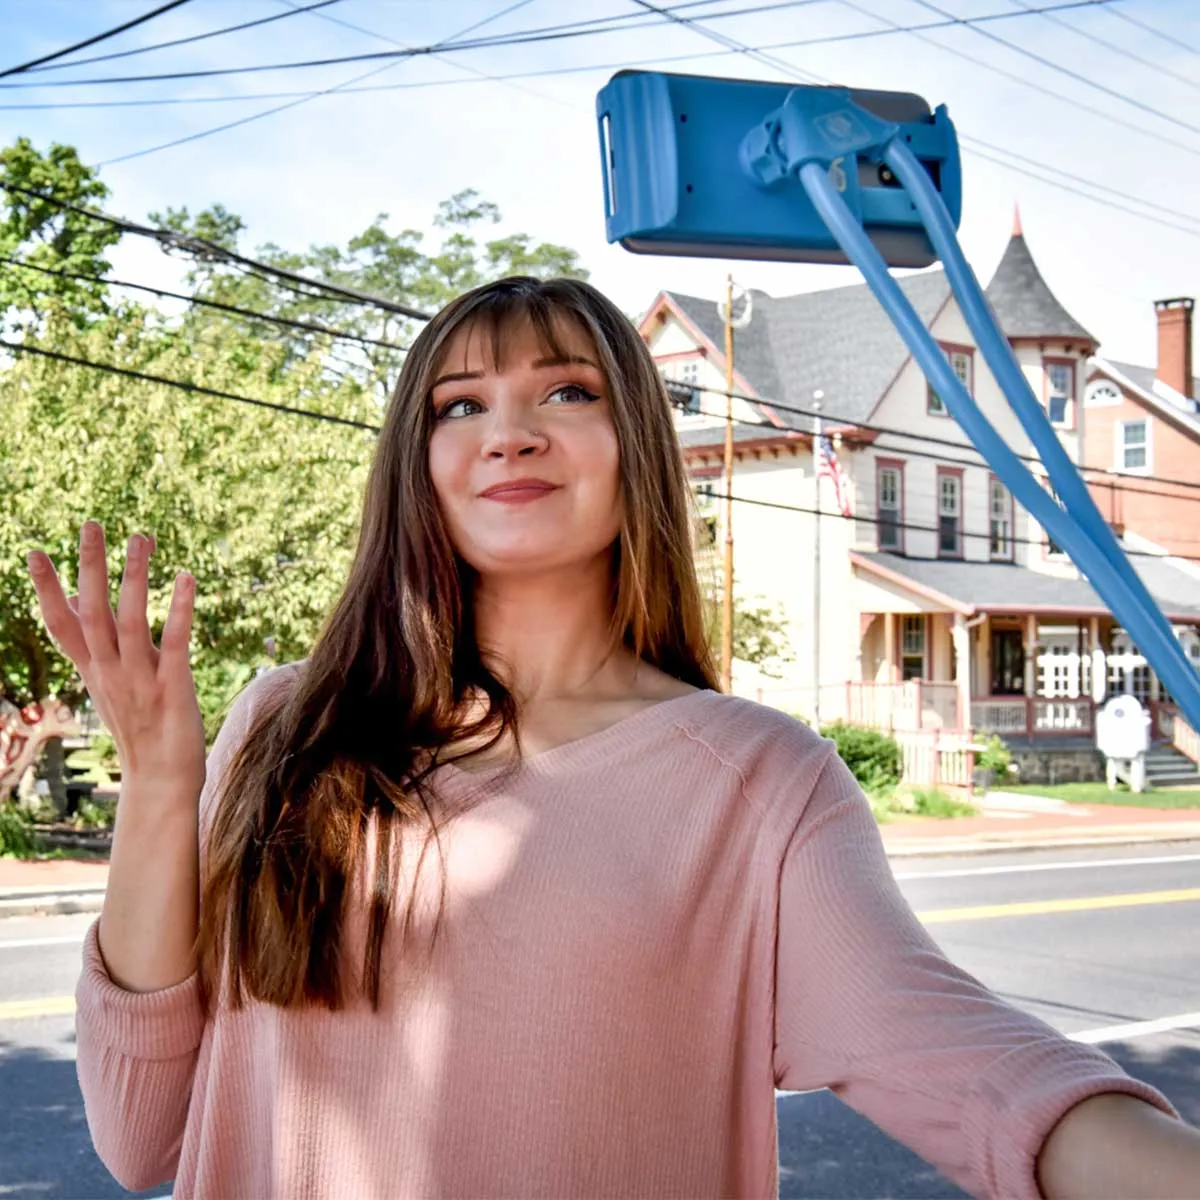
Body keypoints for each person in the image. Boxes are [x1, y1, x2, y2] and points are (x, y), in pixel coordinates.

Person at [28, 276, 1199, 1199]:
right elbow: (140, 1140)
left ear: (634, 445)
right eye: (460, 405)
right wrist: (160, 786)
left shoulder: (758, 782)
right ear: (418, 466)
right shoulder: (289, 725)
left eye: (568, 393)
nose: (512, 433)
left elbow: (971, 1067)